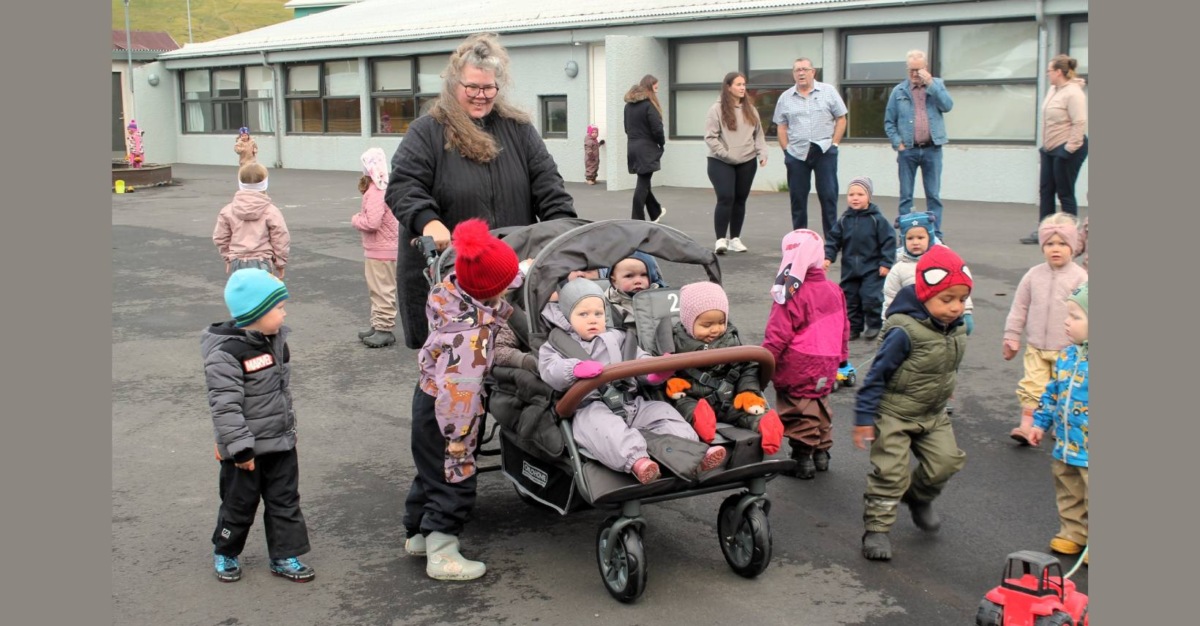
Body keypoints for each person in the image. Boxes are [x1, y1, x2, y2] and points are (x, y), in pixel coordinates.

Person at [386, 32, 577, 350]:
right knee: (445, 374)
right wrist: (428, 220)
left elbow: (550, 189)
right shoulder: (427, 131)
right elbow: (404, 185)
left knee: (512, 362)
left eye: (488, 87)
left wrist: (563, 237)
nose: (480, 95)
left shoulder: (518, 129)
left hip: (509, 273)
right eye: (471, 87)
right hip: (453, 277)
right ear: (453, 85)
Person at [405, 219, 521, 581]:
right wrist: (458, 437)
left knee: (429, 473)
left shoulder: (451, 292)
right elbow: (461, 393)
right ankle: (442, 550)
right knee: (454, 477)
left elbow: (497, 278)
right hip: (450, 414)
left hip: (427, 401)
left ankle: (417, 535)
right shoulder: (468, 339)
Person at [538, 279, 727, 484]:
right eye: (583, 314)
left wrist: (654, 371)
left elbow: (638, 357)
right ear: (566, 317)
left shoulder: (618, 338)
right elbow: (549, 370)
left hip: (630, 402)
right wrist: (573, 369)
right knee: (604, 429)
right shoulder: (554, 345)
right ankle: (638, 461)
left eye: (598, 314)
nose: (592, 320)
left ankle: (695, 453)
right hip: (589, 406)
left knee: (663, 412)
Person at [853, 246, 973, 561]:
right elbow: (876, 377)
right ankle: (877, 528)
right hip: (894, 412)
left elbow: (947, 365)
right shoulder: (904, 331)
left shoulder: (957, 328)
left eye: (961, 300)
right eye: (946, 299)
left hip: (932, 413)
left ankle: (917, 497)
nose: (955, 308)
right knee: (891, 473)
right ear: (924, 294)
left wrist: (945, 390)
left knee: (946, 462)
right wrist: (864, 419)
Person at [203, 269, 314, 583]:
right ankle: (225, 550)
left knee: (285, 501)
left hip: (279, 443)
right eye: (278, 308)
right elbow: (224, 406)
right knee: (239, 504)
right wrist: (238, 448)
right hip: (245, 451)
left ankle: (283, 555)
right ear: (256, 312)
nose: (285, 312)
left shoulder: (276, 341)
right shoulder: (226, 354)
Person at [762, 229, 850, 478]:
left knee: (799, 406)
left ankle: (802, 458)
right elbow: (844, 325)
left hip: (798, 361)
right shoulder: (834, 290)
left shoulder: (789, 292)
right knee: (820, 402)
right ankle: (822, 453)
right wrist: (842, 356)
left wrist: (764, 363)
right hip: (828, 359)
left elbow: (777, 335)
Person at [663, 282, 784, 455]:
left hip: (729, 398)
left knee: (750, 409)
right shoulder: (676, 343)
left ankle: (766, 426)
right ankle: (701, 423)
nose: (716, 329)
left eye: (721, 322)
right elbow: (665, 371)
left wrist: (747, 391)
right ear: (689, 323)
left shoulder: (730, 339)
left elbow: (748, 366)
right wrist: (672, 381)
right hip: (694, 397)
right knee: (683, 405)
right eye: (706, 325)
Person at [1003, 213, 1087, 444]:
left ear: (1073, 246)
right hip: (1037, 346)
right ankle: (1026, 426)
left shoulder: (1081, 278)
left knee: (1064, 388)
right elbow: (1019, 306)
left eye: (1062, 243)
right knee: (1032, 385)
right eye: (1049, 244)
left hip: (1069, 348)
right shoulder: (1033, 275)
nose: (1055, 249)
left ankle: (1059, 423)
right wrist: (1011, 336)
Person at [1028, 282, 1089, 563]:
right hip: (1066, 444)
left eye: (1076, 317)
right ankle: (1073, 533)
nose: (1067, 322)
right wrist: (1039, 423)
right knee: (1068, 491)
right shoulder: (1067, 355)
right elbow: (1052, 392)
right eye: (1068, 315)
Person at [772, 58, 847, 239]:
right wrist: (786, 151)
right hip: (797, 154)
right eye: (797, 70)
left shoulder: (828, 92)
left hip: (824, 151)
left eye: (805, 69)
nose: (801, 73)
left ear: (813, 72)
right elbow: (781, 126)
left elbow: (841, 118)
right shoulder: (786, 98)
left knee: (828, 196)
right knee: (798, 199)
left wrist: (834, 144)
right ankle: (800, 239)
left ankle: (831, 240)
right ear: (793, 74)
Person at [883, 50, 953, 241]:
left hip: (933, 149)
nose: (915, 74)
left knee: (933, 195)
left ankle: (935, 235)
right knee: (906, 196)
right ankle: (906, 234)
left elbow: (947, 106)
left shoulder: (937, 85)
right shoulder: (899, 91)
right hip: (908, 150)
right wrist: (898, 144)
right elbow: (889, 122)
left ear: (926, 68)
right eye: (911, 70)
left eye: (919, 70)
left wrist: (930, 83)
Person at [1020, 54, 1088, 244]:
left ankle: (1070, 234)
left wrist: (1069, 149)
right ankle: (1045, 231)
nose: (1047, 74)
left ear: (1059, 72)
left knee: (1064, 191)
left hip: (1068, 148)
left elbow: (1079, 122)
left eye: (1049, 70)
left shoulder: (1074, 93)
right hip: (1050, 148)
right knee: (1046, 190)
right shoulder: (1053, 89)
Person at [823, 176, 895, 341]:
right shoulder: (844, 220)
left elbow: (888, 241)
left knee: (871, 297)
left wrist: (886, 262)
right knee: (850, 299)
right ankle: (854, 327)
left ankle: (874, 324)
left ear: (869, 197)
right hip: (850, 269)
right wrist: (828, 257)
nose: (855, 198)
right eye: (851, 194)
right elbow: (833, 240)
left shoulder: (877, 219)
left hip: (872, 268)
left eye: (860, 194)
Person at [705, 71, 768, 254]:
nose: (743, 88)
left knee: (740, 199)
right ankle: (720, 240)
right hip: (720, 161)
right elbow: (710, 137)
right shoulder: (715, 109)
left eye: (744, 84)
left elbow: (759, 135)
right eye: (739, 84)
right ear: (728, 87)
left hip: (747, 161)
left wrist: (762, 153)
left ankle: (735, 239)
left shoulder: (750, 109)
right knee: (726, 197)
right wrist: (725, 154)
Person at [881, 212, 973, 334]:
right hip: (912, 324)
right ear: (903, 239)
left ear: (930, 237)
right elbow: (891, 297)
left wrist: (966, 312)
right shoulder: (898, 269)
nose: (915, 242)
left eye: (920, 237)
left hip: (942, 319)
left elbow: (959, 289)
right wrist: (887, 321)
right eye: (910, 238)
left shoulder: (945, 262)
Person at [351, 148, 400, 348]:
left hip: (380, 249)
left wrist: (355, 219)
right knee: (379, 288)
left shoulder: (375, 192)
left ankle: (383, 328)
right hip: (385, 248)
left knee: (381, 289)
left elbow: (372, 222)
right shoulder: (385, 187)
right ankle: (378, 324)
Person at [213, 162, 290, 278]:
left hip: (237, 261)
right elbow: (280, 238)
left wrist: (227, 257)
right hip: (262, 260)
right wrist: (280, 263)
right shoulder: (270, 210)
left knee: (242, 294)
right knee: (263, 294)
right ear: (265, 183)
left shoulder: (228, 210)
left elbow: (220, 237)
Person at [624, 74, 667, 223]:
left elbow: (626, 128)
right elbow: (657, 129)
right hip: (646, 148)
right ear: (649, 87)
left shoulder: (628, 106)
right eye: (655, 87)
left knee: (644, 180)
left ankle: (655, 212)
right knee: (642, 184)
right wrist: (661, 143)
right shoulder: (649, 105)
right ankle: (637, 219)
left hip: (632, 147)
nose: (657, 90)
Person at [605, 251, 667, 330]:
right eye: (629, 276)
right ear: (614, 281)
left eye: (644, 275)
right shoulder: (605, 304)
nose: (638, 281)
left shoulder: (662, 297)